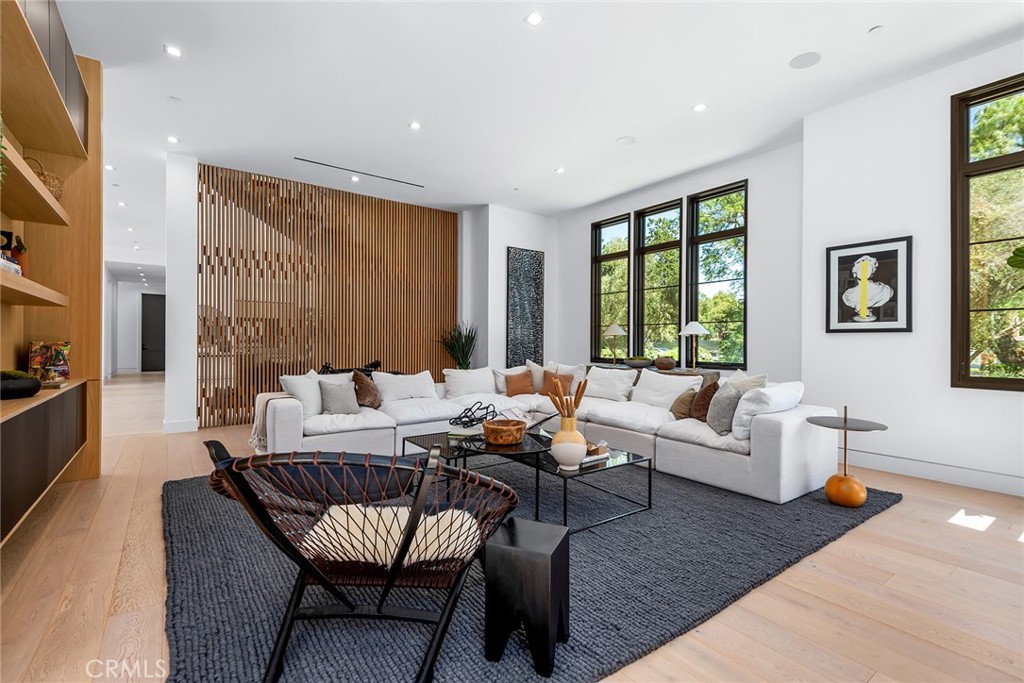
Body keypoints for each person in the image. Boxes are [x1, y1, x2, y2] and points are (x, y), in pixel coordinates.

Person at [841, 255, 893, 322]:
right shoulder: (848, 294)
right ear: (854, 273)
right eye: (861, 268)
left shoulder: (884, 290)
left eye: (867, 268)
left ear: (872, 274)